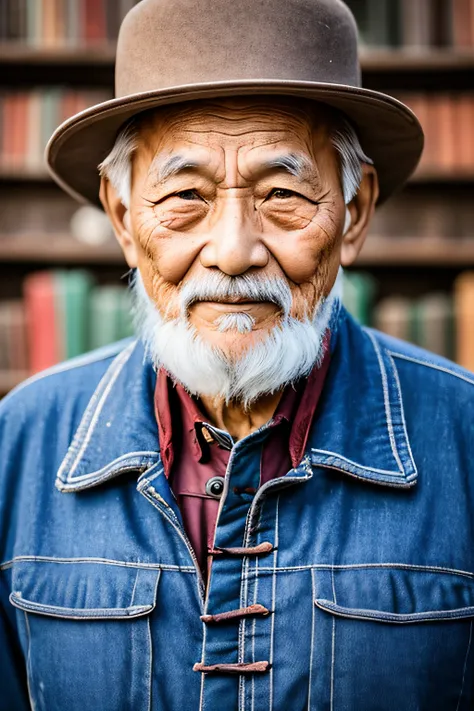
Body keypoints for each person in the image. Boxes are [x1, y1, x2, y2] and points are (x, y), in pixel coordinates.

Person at [1, 1, 473, 709]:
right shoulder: (20, 442)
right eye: (185, 195)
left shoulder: (465, 437)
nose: (231, 251)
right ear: (125, 217)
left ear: (355, 213)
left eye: (282, 194)